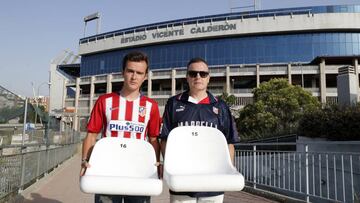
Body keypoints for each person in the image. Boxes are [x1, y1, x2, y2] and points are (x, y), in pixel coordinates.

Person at [80, 51, 162, 203]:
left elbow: (153, 139)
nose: (134, 76)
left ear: (145, 76)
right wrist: (85, 160)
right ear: (122, 72)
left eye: (139, 73)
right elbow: (91, 135)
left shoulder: (152, 106)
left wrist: (156, 166)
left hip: (140, 171)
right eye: (130, 71)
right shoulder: (105, 101)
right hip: (107, 171)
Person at [160, 57, 239, 203]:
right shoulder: (173, 103)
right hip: (182, 180)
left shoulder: (220, 106)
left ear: (208, 78)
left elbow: (228, 143)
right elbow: (165, 139)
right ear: (187, 77)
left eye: (203, 74)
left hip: (213, 180)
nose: (198, 77)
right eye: (193, 73)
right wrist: (170, 166)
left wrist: (229, 169)